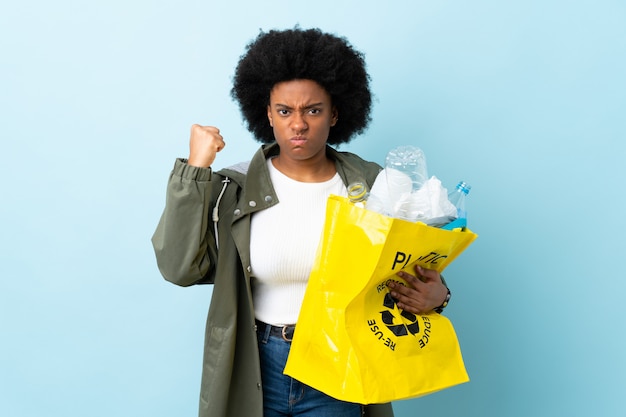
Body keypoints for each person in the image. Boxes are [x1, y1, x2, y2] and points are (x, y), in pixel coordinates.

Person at [152, 27, 450, 417]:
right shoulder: (234, 188)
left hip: (338, 363)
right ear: (267, 114)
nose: (298, 124)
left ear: (335, 113)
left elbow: (411, 267)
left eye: (313, 110)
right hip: (255, 366)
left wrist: (439, 297)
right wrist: (196, 169)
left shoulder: (373, 186)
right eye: (284, 111)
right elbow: (179, 268)